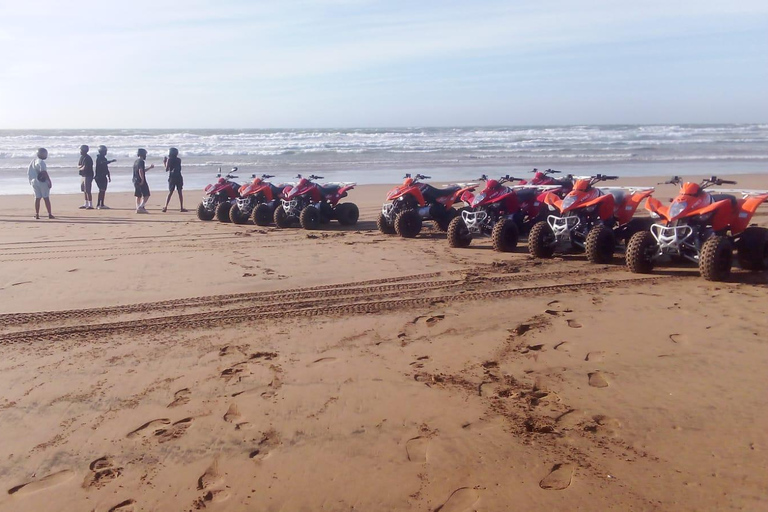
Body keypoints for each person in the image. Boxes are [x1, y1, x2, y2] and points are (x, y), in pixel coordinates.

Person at [28, 148, 54, 219]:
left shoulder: (33, 161)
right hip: (42, 182)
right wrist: (49, 181)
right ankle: (49, 214)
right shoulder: (41, 162)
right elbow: (44, 172)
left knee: (37, 198)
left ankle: (37, 214)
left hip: (34, 181)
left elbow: (29, 172)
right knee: (46, 198)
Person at [162, 147, 186, 212]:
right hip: (179, 176)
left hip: (172, 177)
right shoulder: (179, 160)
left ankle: (165, 207)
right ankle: (181, 207)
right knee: (180, 192)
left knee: (170, 192)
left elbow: (167, 169)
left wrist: (165, 162)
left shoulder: (169, 159)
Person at [133, 148, 154, 213]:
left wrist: (150, 168)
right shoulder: (141, 161)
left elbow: (142, 170)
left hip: (135, 180)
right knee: (146, 194)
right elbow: (141, 171)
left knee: (138, 195)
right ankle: (141, 207)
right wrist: (142, 179)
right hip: (140, 180)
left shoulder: (136, 161)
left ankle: (137, 207)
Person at [78, 144, 94, 209]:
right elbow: (79, 165)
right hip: (83, 175)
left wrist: (81, 167)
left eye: (81, 150)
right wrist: (81, 167)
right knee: (84, 190)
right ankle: (86, 203)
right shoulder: (82, 157)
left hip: (88, 175)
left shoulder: (88, 158)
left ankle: (91, 204)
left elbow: (85, 167)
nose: (80, 151)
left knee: (88, 190)